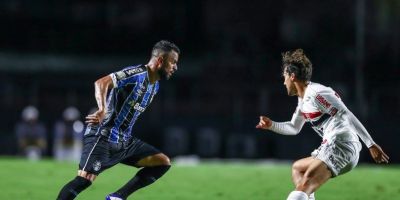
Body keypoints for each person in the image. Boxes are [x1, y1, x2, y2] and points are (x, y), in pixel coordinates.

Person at [256, 49, 389, 200]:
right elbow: (294, 128)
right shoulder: (303, 100)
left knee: (304, 186)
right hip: (334, 146)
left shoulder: (316, 93)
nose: (283, 81)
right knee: (298, 169)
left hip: (341, 144)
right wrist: (271, 125)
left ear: (292, 76)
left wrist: (370, 144)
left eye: (284, 77)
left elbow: (346, 114)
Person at [57, 40, 180, 200]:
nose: (175, 67)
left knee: (162, 162)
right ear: (160, 60)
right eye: (173, 62)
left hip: (125, 141)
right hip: (103, 136)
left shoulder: (154, 86)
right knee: (83, 180)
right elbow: (101, 82)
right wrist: (102, 109)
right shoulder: (136, 73)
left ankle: (117, 197)